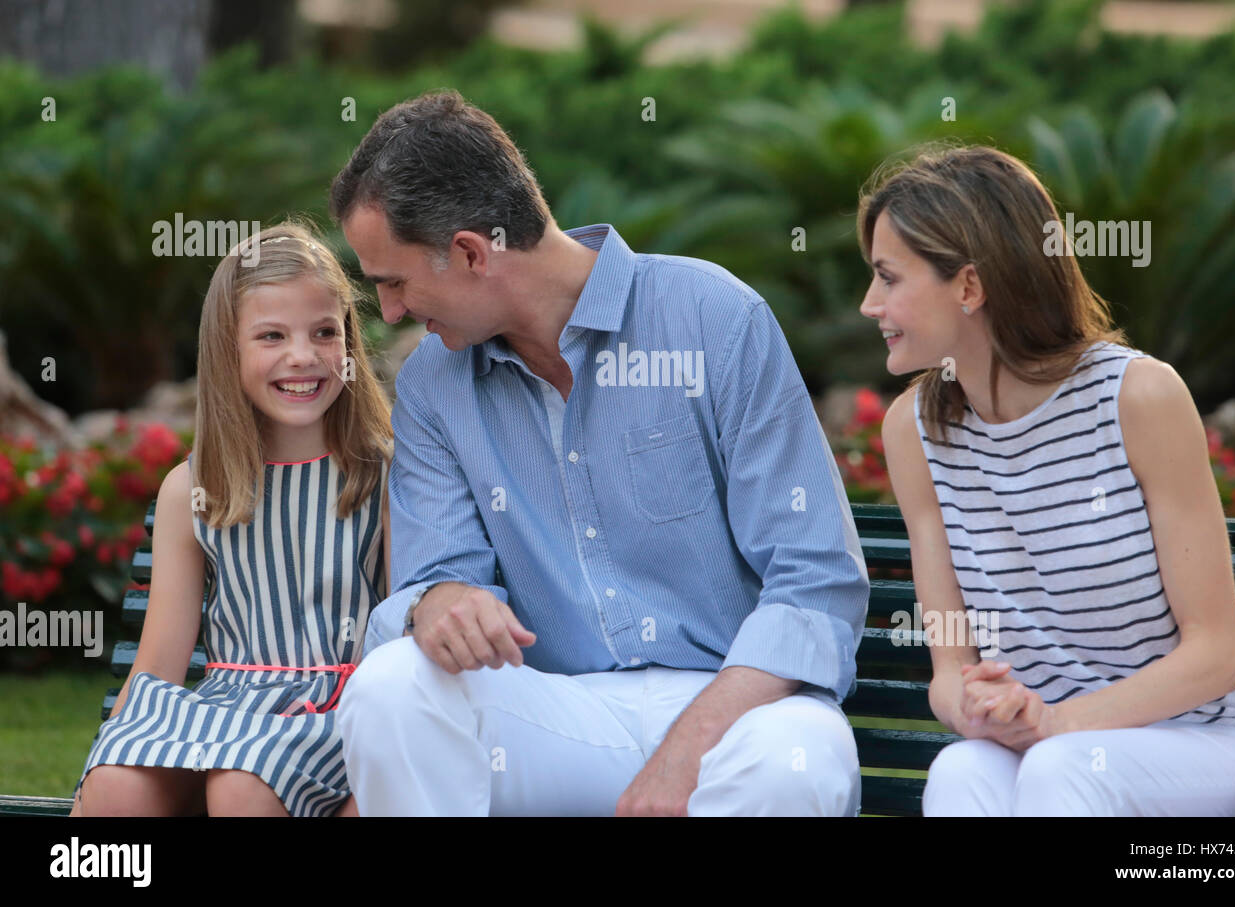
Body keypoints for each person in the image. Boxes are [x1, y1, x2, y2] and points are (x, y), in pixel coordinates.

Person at [331, 90, 870, 816]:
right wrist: (439, 601)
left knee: (797, 764)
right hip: (559, 715)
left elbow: (815, 582)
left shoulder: (716, 318)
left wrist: (685, 752)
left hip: (739, 705)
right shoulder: (433, 382)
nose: (389, 312)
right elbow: (438, 577)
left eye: (392, 282)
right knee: (391, 687)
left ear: (469, 251)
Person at [861, 145, 1235, 816]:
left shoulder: (1137, 398)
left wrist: (1058, 724)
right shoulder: (913, 433)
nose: (870, 304)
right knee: (962, 770)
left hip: (1218, 739)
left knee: (1064, 768)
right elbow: (948, 668)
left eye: (889, 278)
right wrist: (977, 705)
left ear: (970, 287)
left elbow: (1215, 654)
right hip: (1057, 748)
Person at [72, 223, 393, 817]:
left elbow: (401, 642)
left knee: (242, 788)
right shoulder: (193, 488)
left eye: (325, 332)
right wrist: (90, 782)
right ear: (228, 348)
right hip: (227, 710)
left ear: (348, 343)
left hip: (340, 711)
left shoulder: (382, 475)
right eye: (271, 335)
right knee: (116, 789)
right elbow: (159, 666)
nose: (303, 355)